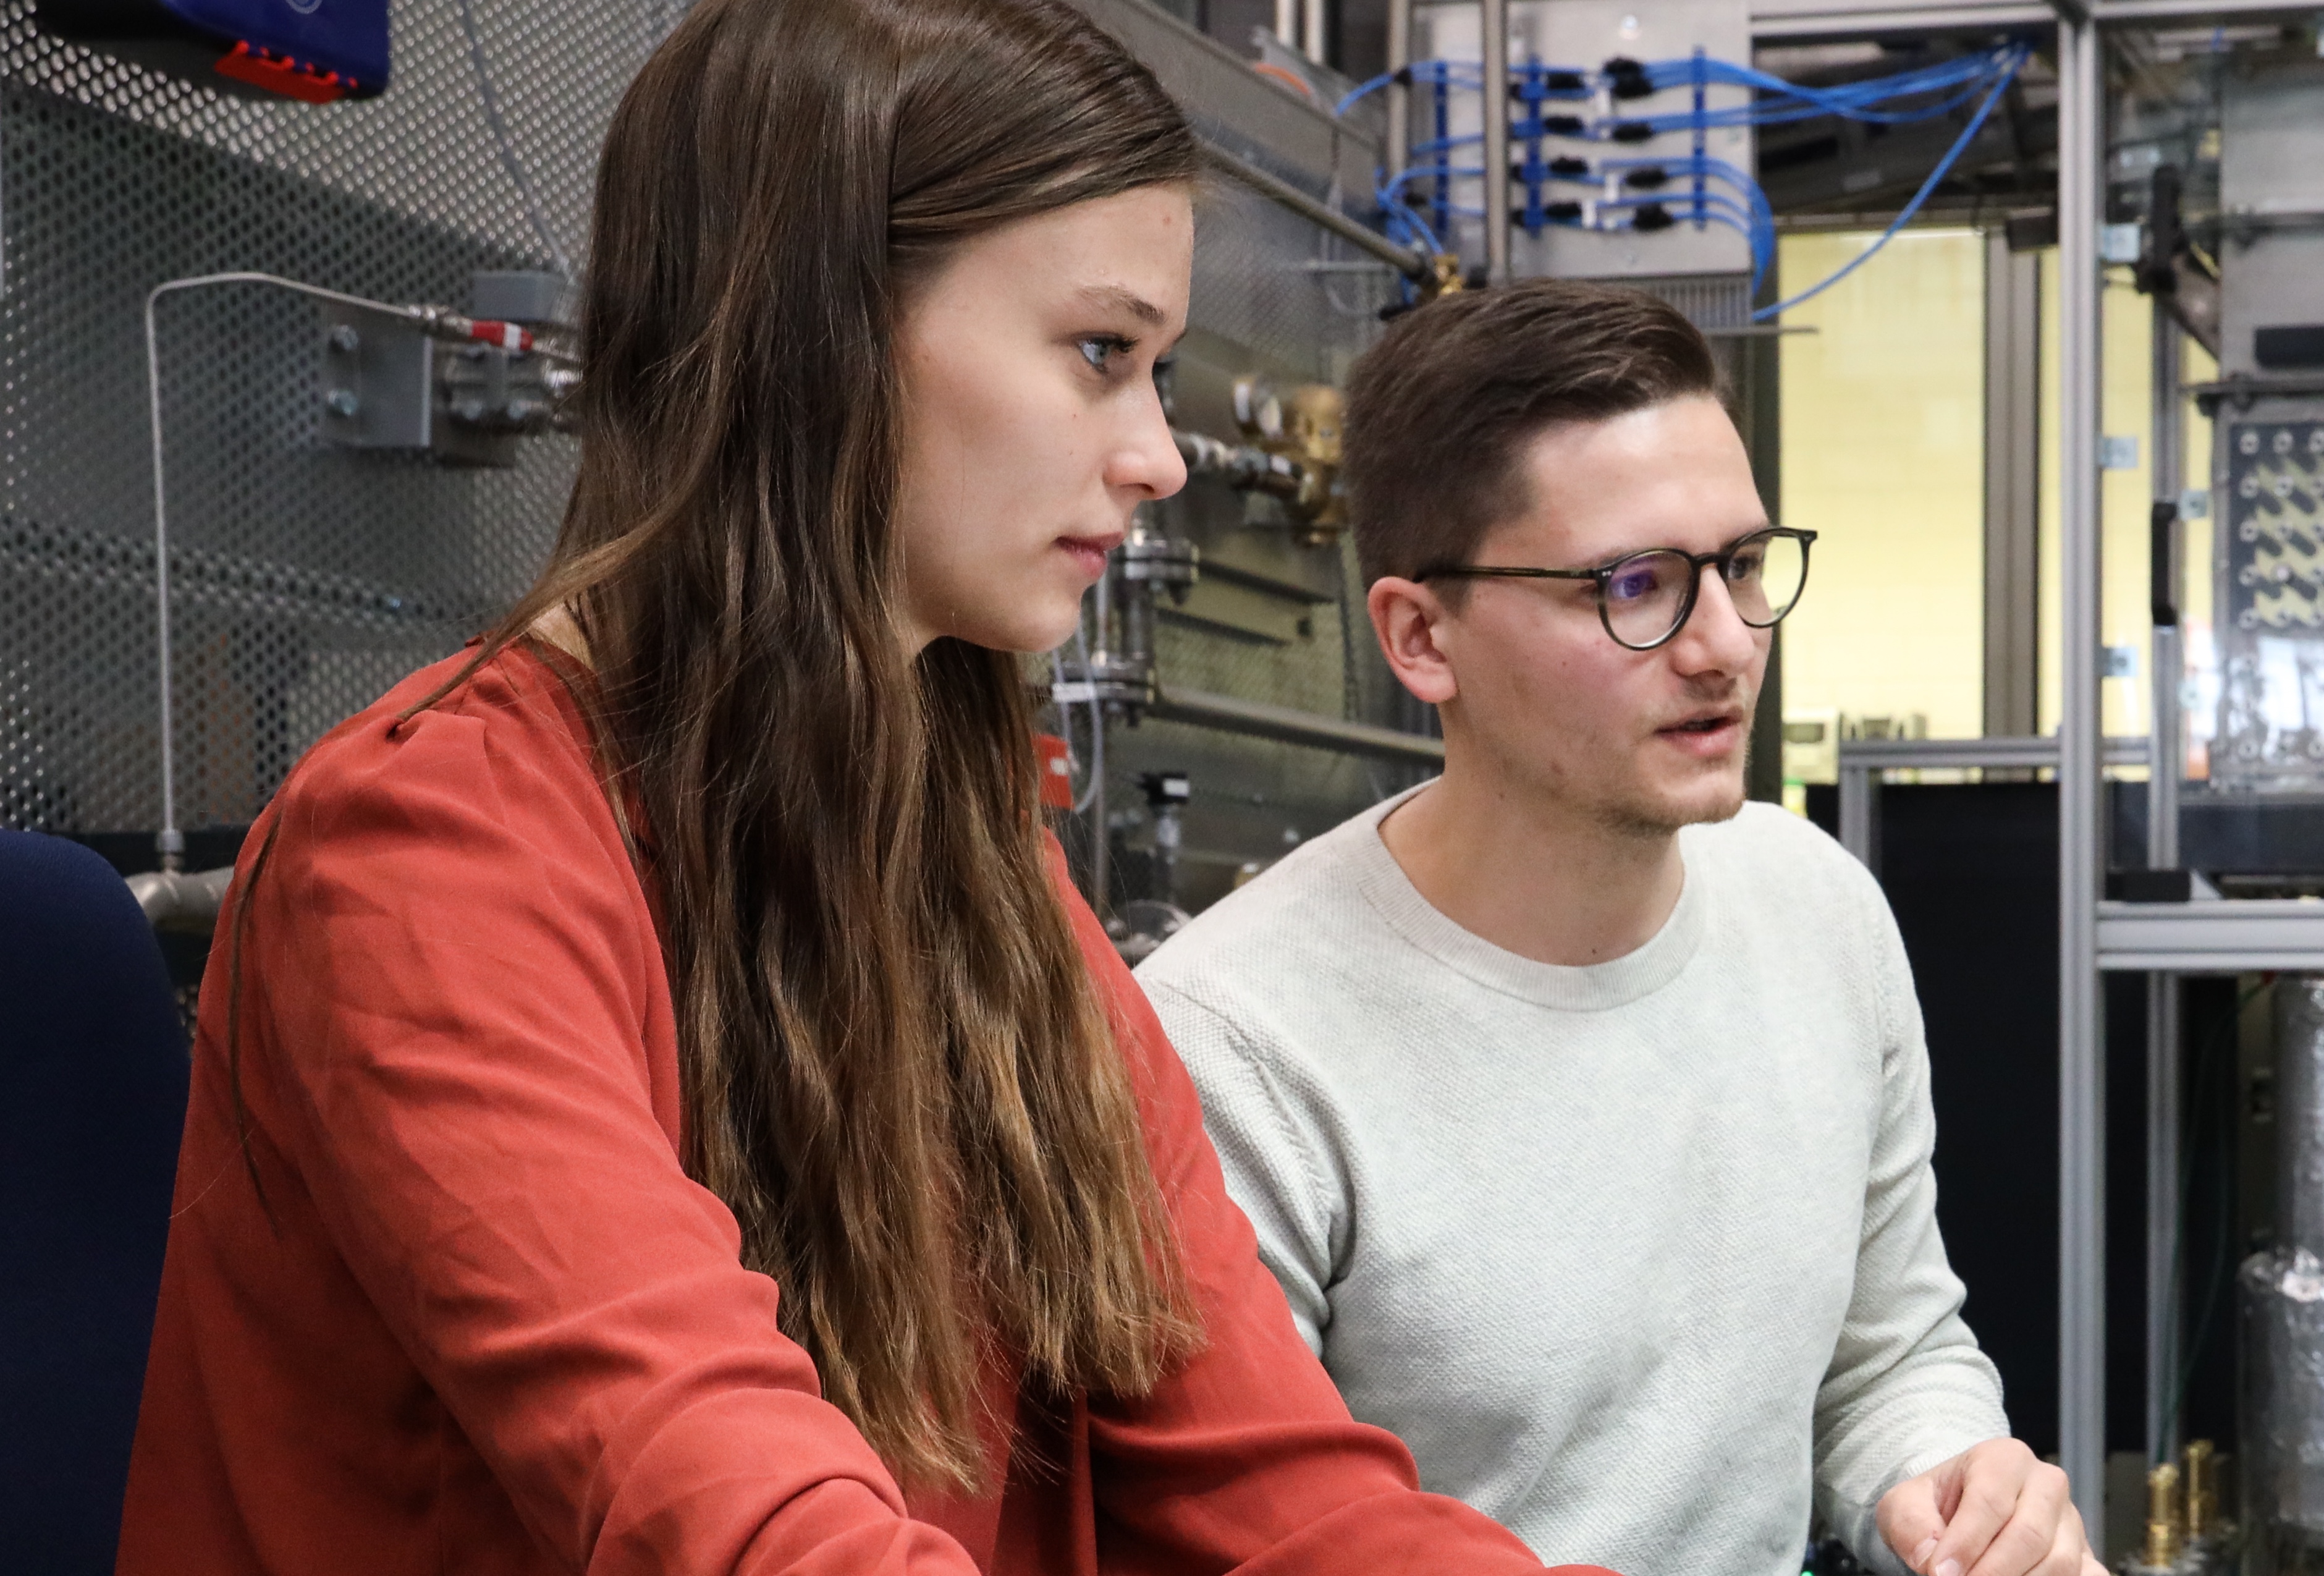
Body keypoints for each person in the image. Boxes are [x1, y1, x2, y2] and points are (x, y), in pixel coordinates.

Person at [114, 4, 1603, 1572]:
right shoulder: (435, 858)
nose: (1160, 456)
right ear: (818, 330)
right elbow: (742, 1522)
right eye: (1102, 353)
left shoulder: (974, 873)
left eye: (1158, 371)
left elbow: (1290, 1489)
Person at [1134, 281, 2090, 1576]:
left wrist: (1958, 1493)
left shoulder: (1817, 907)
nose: (1723, 646)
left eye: (1744, 568)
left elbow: (1889, 1358)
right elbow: (1276, 1546)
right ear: (1423, 637)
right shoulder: (1232, 1048)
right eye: (1633, 585)